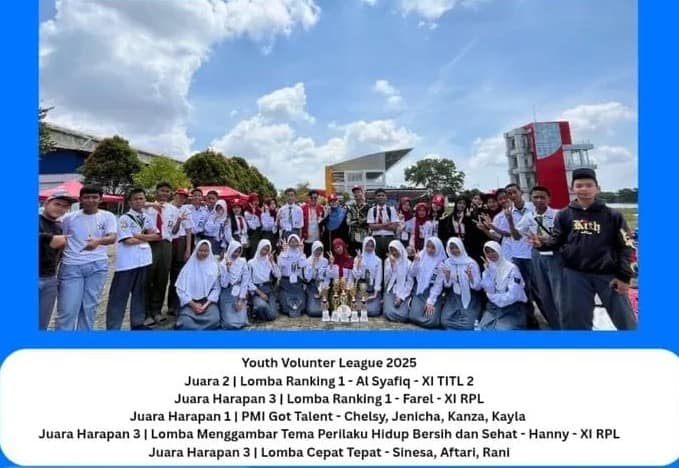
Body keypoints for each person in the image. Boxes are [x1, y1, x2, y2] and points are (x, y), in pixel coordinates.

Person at [529, 168, 637, 330]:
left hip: (608, 274)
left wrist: (624, 276)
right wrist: (542, 244)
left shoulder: (613, 215)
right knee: (575, 321)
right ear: (572, 189)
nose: (584, 189)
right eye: (579, 186)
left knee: (625, 321)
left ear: (597, 188)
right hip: (575, 275)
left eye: (589, 185)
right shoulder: (564, 215)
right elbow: (557, 240)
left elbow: (627, 246)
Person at [55, 185, 117, 330]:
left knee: (89, 307)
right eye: (86, 197)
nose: (90, 200)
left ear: (100, 199)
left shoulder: (108, 216)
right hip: (72, 266)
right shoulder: (68, 218)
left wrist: (98, 241)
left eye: (94, 197)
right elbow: (60, 238)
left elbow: (112, 237)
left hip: (97, 266)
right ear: (80, 199)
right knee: (67, 309)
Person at [106, 188, 158, 330]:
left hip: (144, 260)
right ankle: (113, 327)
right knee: (119, 296)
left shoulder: (147, 217)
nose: (139, 201)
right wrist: (147, 237)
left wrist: (139, 236)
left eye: (141, 198)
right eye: (135, 199)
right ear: (129, 202)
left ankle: (137, 323)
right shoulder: (124, 219)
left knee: (140, 294)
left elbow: (156, 236)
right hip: (127, 263)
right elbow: (128, 240)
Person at [517, 185, 561, 329]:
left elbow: (565, 236)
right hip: (537, 255)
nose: (539, 200)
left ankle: (566, 324)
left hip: (555, 255)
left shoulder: (558, 215)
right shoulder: (529, 217)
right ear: (531, 199)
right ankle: (555, 325)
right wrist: (510, 221)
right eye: (536, 197)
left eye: (543, 197)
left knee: (559, 291)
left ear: (549, 199)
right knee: (544, 292)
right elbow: (517, 234)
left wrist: (547, 239)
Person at [144, 182, 180, 325]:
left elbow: (174, 231)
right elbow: (136, 208)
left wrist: (179, 221)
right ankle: (146, 312)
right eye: (162, 190)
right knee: (148, 277)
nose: (164, 193)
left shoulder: (173, 210)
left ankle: (156, 311)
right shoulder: (147, 207)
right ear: (156, 192)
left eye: (167, 191)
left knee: (162, 278)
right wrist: (149, 205)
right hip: (150, 244)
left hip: (166, 244)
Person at [39, 191, 76, 330]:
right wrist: (49, 239)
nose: (60, 208)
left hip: (49, 279)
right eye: (57, 204)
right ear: (46, 203)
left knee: (42, 323)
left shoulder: (59, 227)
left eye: (64, 206)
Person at [478, 241, 527, 330]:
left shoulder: (511, 268)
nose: (490, 254)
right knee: (482, 329)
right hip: (494, 308)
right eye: (487, 252)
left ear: (499, 250)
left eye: (493, 251)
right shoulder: (488, 268)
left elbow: (514, 295)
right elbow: (488, 289)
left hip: (512, 307)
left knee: (502, 331)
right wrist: (489, 272)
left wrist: (495, 297)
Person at [174, 240, 220, 330]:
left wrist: (206, 305)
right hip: (190, 303)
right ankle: (201, 328)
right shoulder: (188, 268)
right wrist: (193, 304)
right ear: (196, 250)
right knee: (185, 321)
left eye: (206, 251)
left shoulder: (214, 267)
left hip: (207, 302)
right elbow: (180, 290)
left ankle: (194, 329)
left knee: (215, 319)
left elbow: (216, 288)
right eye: (201, 250)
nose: (203, 253)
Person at [438, 238, 483, 330]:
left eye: (456, 247)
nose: (454, 250)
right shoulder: (448, 262)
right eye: (451, 248)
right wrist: (447, 276)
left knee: (469, 325)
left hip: (470, 296)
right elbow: (447, 285)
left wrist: (470, 277)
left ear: (461, 247)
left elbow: (478, 287)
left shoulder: (471, 263)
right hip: (454, 296)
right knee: (444, 321)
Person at [408, 237, 447, 329]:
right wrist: (416, 261)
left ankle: (439, 307)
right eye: (428, 246)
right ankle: (411, 302)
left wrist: (430, 301)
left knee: (431, 321)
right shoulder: (421, 255)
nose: (429, 250)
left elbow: (438, 285)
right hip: (420, 291)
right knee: (413, 317)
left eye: (433, 247)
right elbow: (412, 273)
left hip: (433, 293)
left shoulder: (441, 262)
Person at [167, 188, 193, 316]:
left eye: (184, 197)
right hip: (167, 240)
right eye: (180, 196)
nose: (182, 199)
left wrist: (188, 249)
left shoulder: (186, 210)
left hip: (181, 241)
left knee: (177, 275)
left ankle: (174, 304)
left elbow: (188, 230)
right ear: (175, 195)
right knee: (163, 274)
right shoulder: (167, 207)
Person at [218, 240, 250, 329]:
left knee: (242, 321)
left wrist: (240, 299)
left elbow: (245, 281)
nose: (236, 254)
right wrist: (228, 270)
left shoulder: (242, 261)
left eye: (239, 252)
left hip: (239, 291)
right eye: (235, 251)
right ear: (230, 250)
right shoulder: (222, 263)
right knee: (229, 323)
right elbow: (224, 284)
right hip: (227, 292)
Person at [247, 239, 280, 322]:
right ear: (259, 248)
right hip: (257, 291)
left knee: (272, 315)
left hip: (268, 289)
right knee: (263, 307)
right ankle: (257, 308)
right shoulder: (251, 263)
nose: (265, 251)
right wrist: (260, 293)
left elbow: (278, 275)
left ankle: (258, 311)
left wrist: (272, 261)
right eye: (263, 248)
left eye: (267, 249)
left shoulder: (269, 262)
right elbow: (248, 282)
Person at [383, 240, 415, 322]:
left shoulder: (408, 263)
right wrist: (392, 265)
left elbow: (410, 283)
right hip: (391, 291)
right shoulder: (388, 261)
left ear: (400, 249)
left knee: (404, 315)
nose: (394, 253)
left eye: (395, 250)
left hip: (403, 291)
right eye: (391, 250)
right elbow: (387, 279)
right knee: (388, 312)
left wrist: (401, 297)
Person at [277, 234, 307, 316]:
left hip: (297, 283)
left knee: (301, 306)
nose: (293, 243)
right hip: (286, 283)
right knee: (286, 307)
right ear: (288, 242)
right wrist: (284, 252)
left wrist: (301, 251)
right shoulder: (283, 253)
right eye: (291, 242)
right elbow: (281, 264)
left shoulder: (300, 253)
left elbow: (302, 265)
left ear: (298, 242)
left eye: (295, 241)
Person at [352, 236, 383, 316]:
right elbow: (356, 276)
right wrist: (359, 262)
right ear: (364, 245)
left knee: (373, 311)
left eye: (371, 246)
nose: (369, 248)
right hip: (360, 289)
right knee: (357, 310)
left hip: (372, 290)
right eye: (367, 245)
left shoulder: (378, 260)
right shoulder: (357, 258)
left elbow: (378, 278)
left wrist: (375, 294)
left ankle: (378, 301)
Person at [367, 188, 399, 258]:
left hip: (389, 238)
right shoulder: (371, 210)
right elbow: (371, 227)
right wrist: (386, 224)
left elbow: (394, 227)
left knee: (389, 260)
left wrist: (377, 225)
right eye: (378, 195)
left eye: (383, 195)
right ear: (375, 197)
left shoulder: (391, 210)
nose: (381, 197)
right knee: (377, 260)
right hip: (376, 239)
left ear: (386, 197)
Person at [303, 240, 329, 317]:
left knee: (325, 309)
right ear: (313, 250)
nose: (318, 252)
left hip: (322, 286)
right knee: (312, 311)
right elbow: (307, 278)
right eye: (316, 250)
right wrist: (313, 265)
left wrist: (324, 288)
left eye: (320, 250)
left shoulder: (325, 261)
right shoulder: (308, 261)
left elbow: (326, 277)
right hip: (312, 286)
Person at [346, 185, 371, 256]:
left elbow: (368, 222)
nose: (356, 194)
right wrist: (361, 221)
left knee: (365, 258)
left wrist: (355, 221)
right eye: (354, 192)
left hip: (365, 238)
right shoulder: (350, 207)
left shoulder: (368, 207)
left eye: (358, 192)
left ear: (362, 193)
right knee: (354, 258)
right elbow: (348, 222)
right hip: (352, 238)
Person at [301, 190, 326, 257]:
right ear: (308, 198)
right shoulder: (302, 209)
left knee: (317, 257)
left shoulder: (321, 208)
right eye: (311, 197)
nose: (313, 199)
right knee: (307, 257)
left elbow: (323, 221)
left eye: (315, 198)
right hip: (306, 239)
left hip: (317, 238)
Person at [244, 193, 262, 258]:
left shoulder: (258, 211)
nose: (256, 203)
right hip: (252, 235)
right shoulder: (247, 212)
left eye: (257, 201)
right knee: (253, 252)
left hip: (258, 235)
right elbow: (253, 227)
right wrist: (253, 214)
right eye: (254, 200)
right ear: (250, 201)